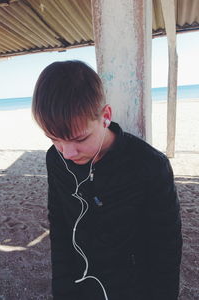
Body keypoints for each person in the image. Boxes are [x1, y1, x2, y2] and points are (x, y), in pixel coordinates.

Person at [32, 60, 182, 300]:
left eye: (80, 139)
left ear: (106, 116)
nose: (68, 153)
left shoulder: (150, 165)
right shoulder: (55, 159)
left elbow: (165, 250)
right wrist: (62, 289)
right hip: (79, 286)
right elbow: (60, 227)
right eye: (54, 139)